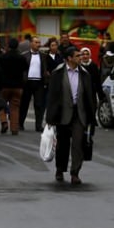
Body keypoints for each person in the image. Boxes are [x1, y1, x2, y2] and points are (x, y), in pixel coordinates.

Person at [45, 46, 97, 186]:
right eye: (77, 56)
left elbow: (90, 95)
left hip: (79, 113)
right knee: (62, 144)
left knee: (78, 143)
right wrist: (50, 117)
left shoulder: (84, 74)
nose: (80, 57)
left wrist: (92, 115)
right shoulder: (58, 73)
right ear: (69, 58)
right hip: (63, 114)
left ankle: (75, 173)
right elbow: (52, 96)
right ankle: (60, 169)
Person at [20, 37, 51, 132]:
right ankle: (20, 124)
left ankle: (38, 125)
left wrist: (46, 78)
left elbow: (46, 68)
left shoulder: (43, 56)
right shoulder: (24, 55)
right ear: (31, 44)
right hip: (27, 82)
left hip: (39, 83)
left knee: (39, 105)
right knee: (24, 104)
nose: (38, 44)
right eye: (36, 42)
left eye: (39, 42)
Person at [0, 38, 27, 134]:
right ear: (17, 46)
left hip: (4, 85)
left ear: (8, 46)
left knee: (0, 105)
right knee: (15, 107)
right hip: (18, 86)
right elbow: (25, 68)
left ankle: (4, 122)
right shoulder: (21, 58)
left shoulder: (2, 57)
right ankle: (14, 128)